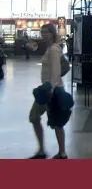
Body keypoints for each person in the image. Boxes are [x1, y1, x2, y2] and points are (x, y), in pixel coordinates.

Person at [29, 24, 67, 159]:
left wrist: (52, 89)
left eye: (47, 32)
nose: (44, 34)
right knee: (35, 117)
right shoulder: (49, 48)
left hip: (52, 90)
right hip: (47, 89)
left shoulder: (54, 49)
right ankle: (42, 150)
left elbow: (56, 71)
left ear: (52, 34)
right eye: (42, 32)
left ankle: (61, 153)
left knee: (56, 121)